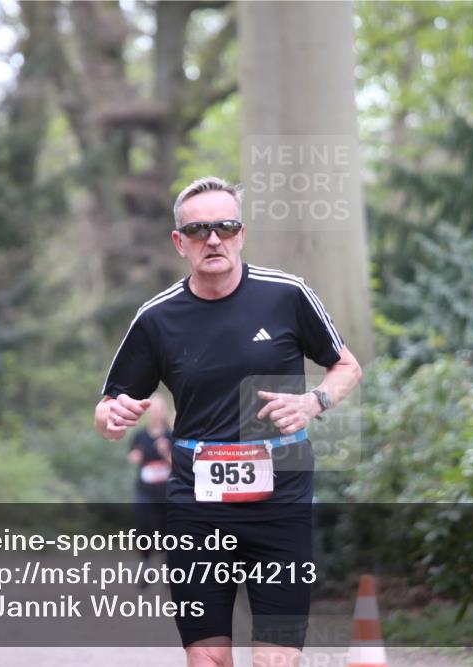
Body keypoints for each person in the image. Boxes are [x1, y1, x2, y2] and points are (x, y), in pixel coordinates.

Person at [95, 176, 362, 667]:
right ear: (180, 243)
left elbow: (347, 366)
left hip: (281, 500)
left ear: (241, 234)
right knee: (208, 658)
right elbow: (109, 404)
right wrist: (111, 417)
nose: (212, 239)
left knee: (276, 659)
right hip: (196, 508)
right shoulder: (157, 318)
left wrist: (313, 402)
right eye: (198, 230)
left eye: (224, 226)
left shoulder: (288, 295)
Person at [128, 394, 172, 571]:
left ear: (165, 412)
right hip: (145, 490)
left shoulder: (171, 435)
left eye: (160, 409)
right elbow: (132, 456)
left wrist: (165, 452)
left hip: (167, 491)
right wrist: (135, 457)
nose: (156, 413)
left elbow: (178, 463)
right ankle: (145, 564)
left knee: (166, 530)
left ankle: (168, 567)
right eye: (153, 410)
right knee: (144, 526)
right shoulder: (140, 436)